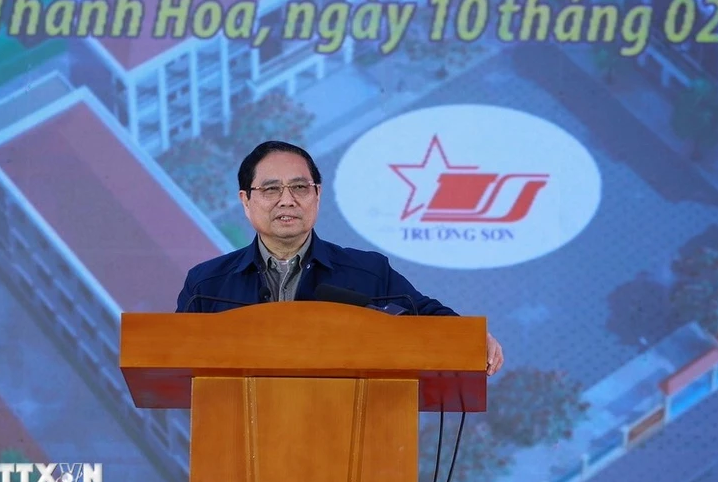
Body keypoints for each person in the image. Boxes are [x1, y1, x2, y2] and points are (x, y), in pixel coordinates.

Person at [176, 140, 504, 375]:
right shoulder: (208, 283)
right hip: (236, 446)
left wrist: (471, 339)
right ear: (246, 201)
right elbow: (172, 356)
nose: (287, 200)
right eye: (271, 189)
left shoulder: (366, 273)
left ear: (317, 196)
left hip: (345, 441)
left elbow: (429, 319)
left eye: (300, 188)